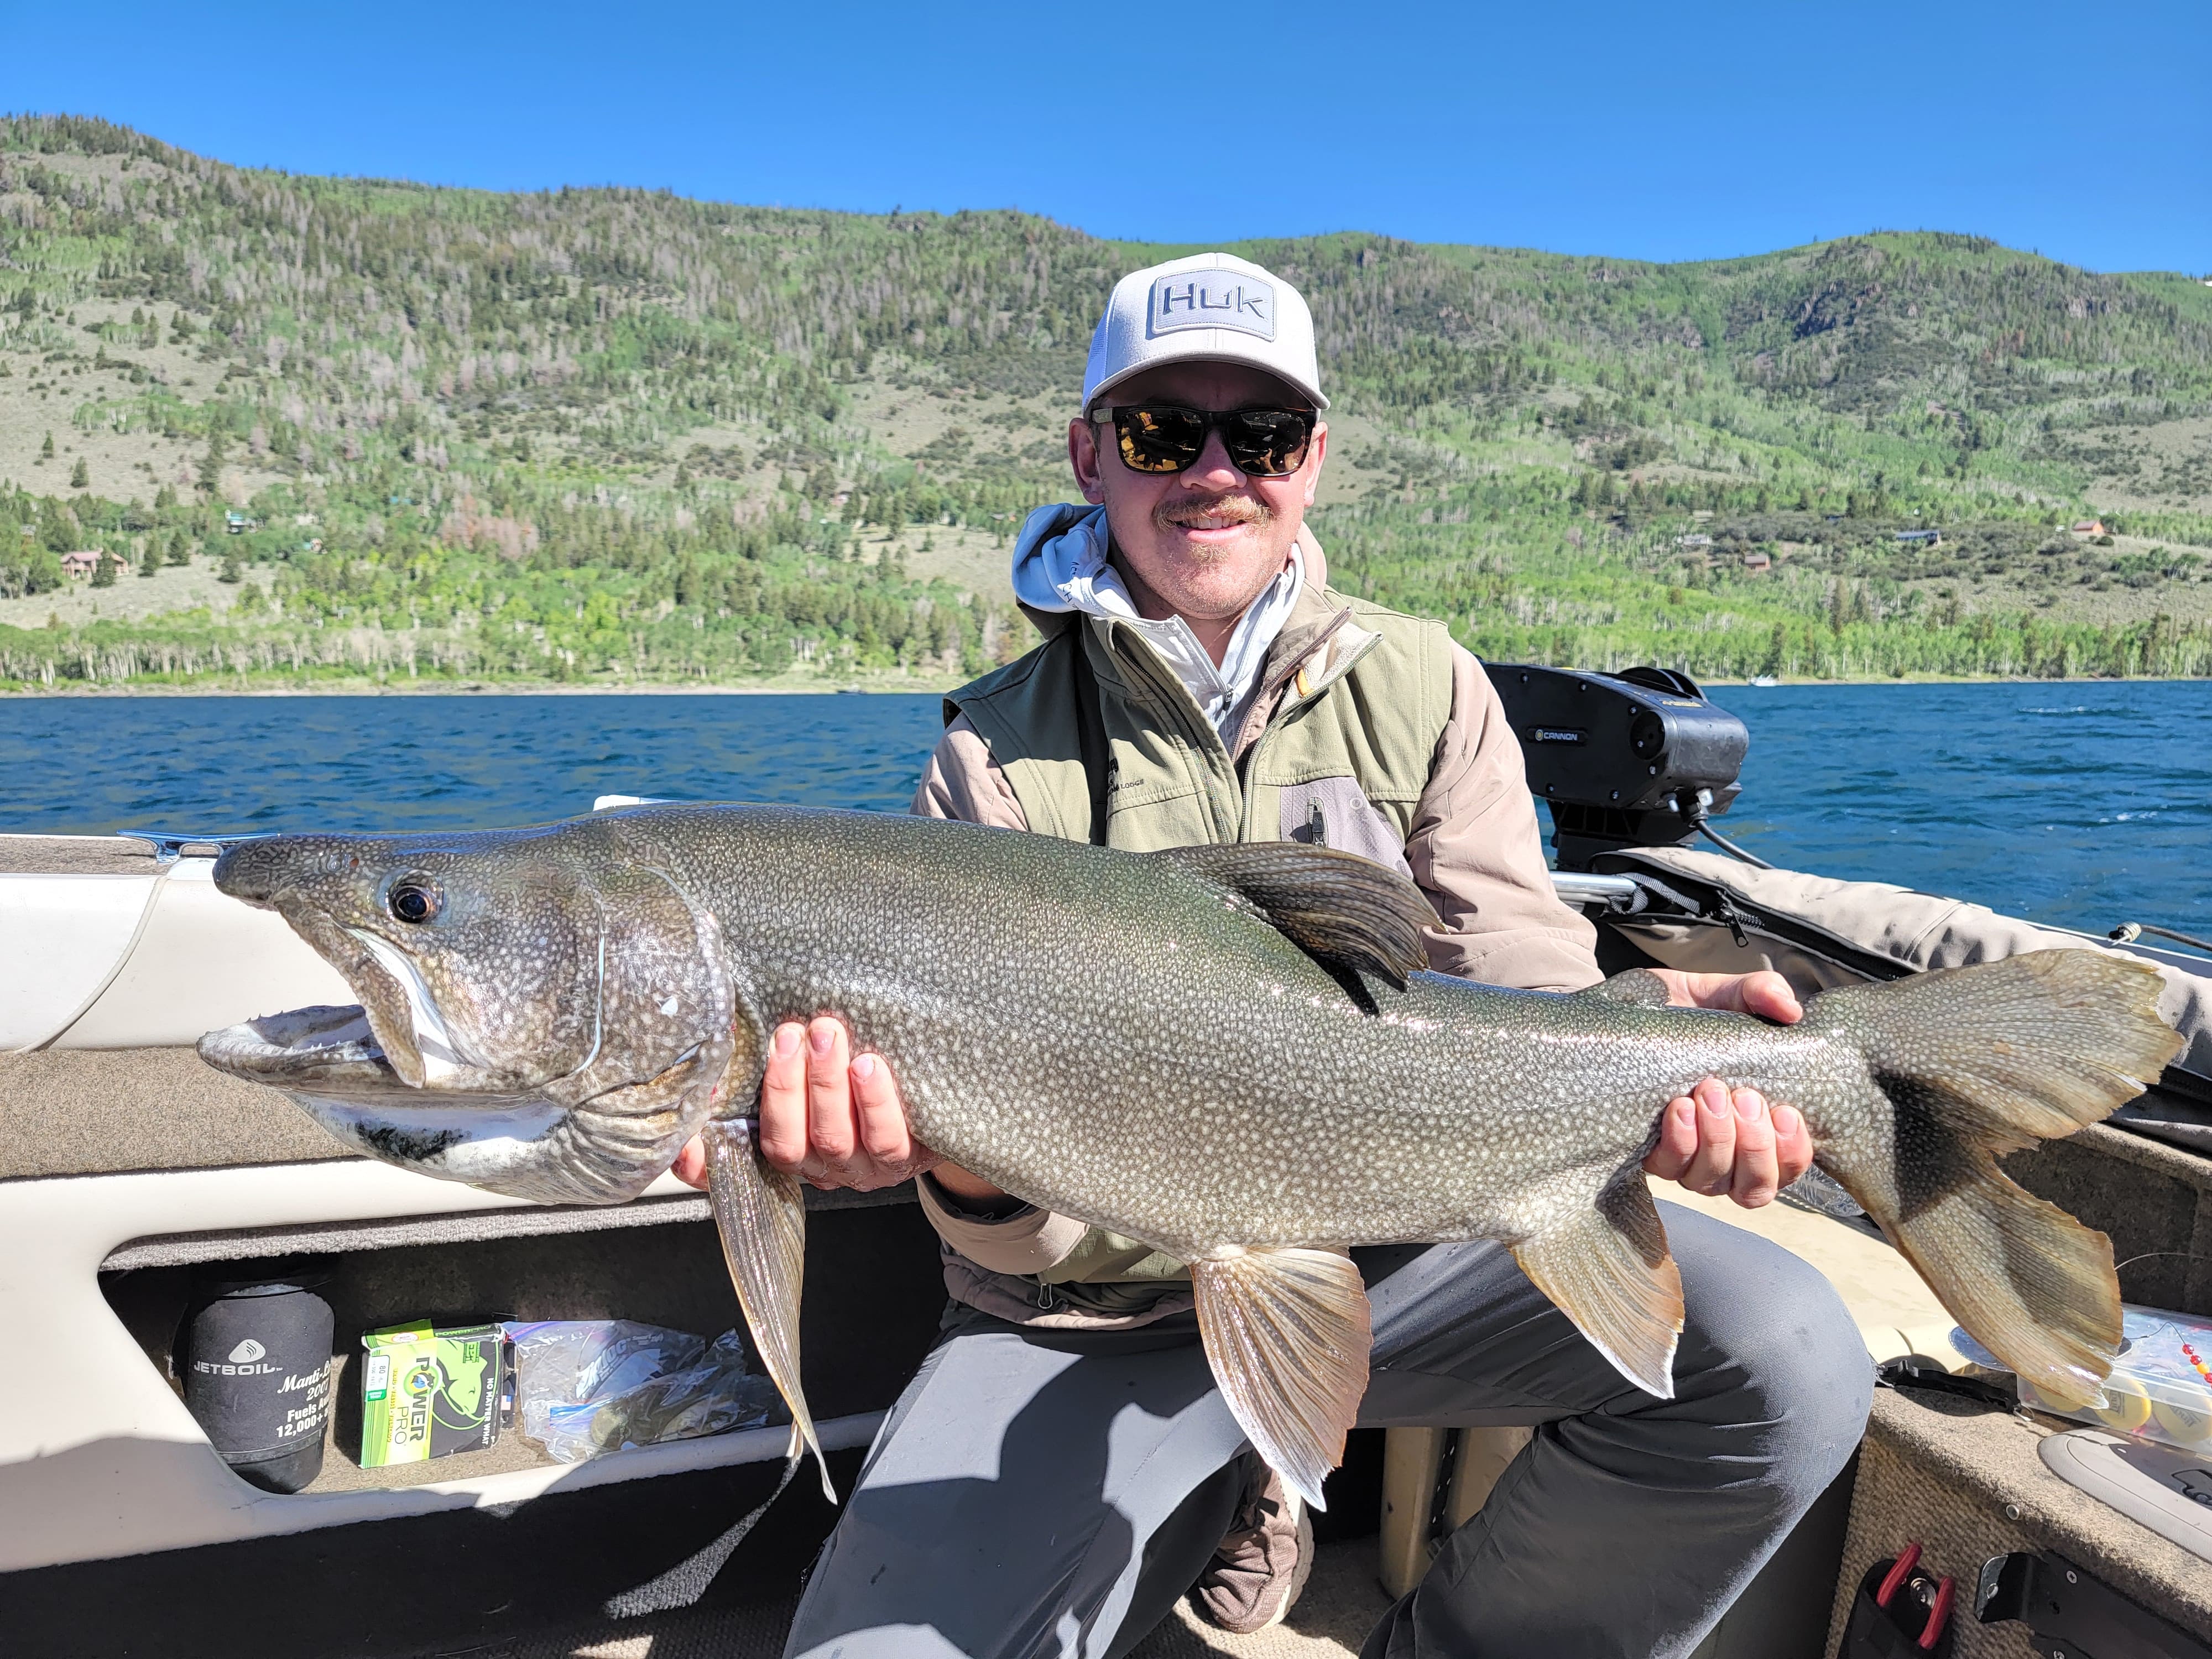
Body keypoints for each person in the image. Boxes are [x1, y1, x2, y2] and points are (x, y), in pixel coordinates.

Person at [674, 252, 1871, 1659]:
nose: (1212, 472)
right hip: (1086, 1311)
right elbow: (1001, 1222)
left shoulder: (1429, 689)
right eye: (1160, 433)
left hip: (1399, 1259)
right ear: (1091, 454)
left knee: (1785, 1356)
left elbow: (1524, 997)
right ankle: (1241, 1487)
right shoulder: (988, 748)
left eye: (1261, 435)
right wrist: (943, 1156)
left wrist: (1648, 1033)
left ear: (1312, 459)